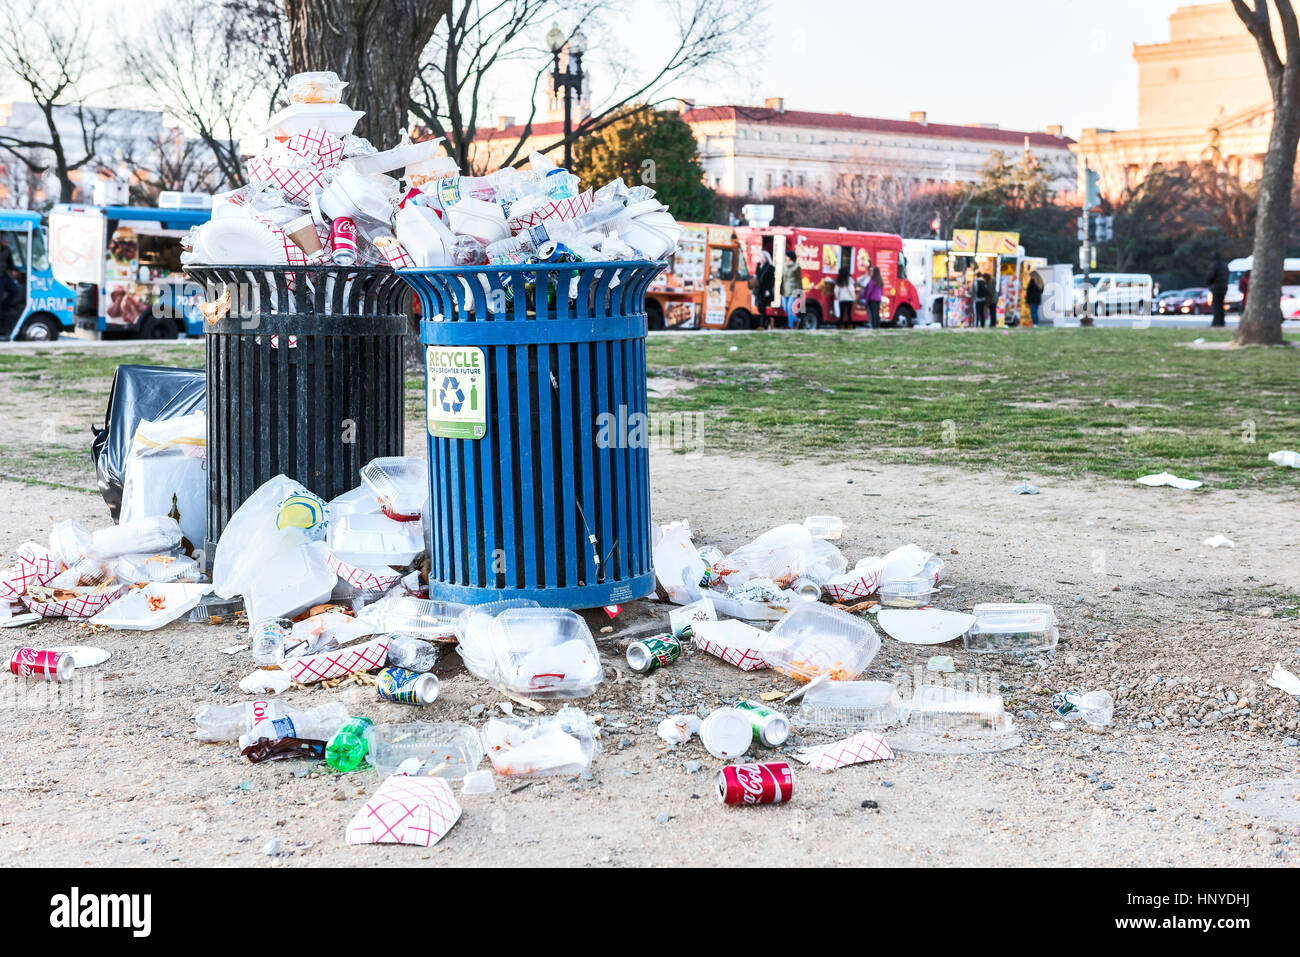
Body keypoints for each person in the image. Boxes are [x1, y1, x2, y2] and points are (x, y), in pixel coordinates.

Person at [751, 250, 775, 329]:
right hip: (758, 290)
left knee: (763, 307)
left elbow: (772, 280)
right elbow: (756, 276)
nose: (761, 258)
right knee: (758, 307)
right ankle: (766, 321)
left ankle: (763, 324)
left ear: (766, 258)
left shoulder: (770, 268)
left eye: (762, 257)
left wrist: (769, 290)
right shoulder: (758, 265)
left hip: (766, 290)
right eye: (760, 257)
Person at [780, 250, 802, 329]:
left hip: (793, 290)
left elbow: (799, 280)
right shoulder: (784, 266)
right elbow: (782, 279)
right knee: (785, 308)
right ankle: (796, 320)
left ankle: (790, 326)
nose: (785, 257)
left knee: (789, 308)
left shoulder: (796, 267)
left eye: (787, 256)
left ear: (790, 257)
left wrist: (799, 291)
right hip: (784, 290)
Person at [1206, 251, 1229, 327]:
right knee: (1221, 305)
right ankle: (1221, 321)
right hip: (1224, 288)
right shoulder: (1225, 265)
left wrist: (1209, 283)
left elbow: (1210, 276)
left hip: (1216, 288)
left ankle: (1216, 322)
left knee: (1216, 305)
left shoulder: (1214, 265)